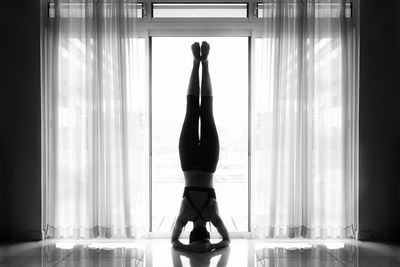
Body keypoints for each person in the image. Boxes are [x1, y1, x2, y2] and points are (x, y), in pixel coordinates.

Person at [171, 41, 230, 253]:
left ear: (207, 232)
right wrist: (190, 248)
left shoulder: (212, 216)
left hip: (208, 160)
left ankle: (204, 63)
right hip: (188, 160)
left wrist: (209, 247)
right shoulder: (184, 215)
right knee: (192, 109)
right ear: (191, 234)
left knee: (206, 110)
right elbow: (174, 241)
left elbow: (226, 240)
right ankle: (197, 62)